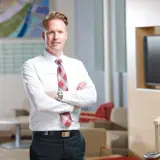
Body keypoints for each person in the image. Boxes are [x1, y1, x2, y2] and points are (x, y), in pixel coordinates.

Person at [21, 11, 97, 160]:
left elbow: (91, 96)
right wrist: (74, 104)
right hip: (45, 141)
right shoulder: (31, 66)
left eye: (60, 32)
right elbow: (41, 103)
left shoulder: (77, 65)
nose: (56, 37)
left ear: (66, 35)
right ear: (44, 36)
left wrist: (60, 95)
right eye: (51, 32)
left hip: (75, 140)